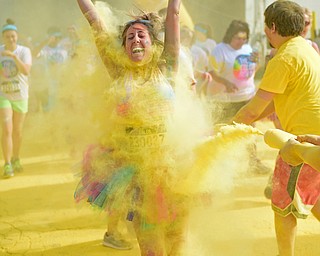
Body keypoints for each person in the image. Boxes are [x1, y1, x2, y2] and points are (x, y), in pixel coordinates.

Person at [74, 0, 185, 255]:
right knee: (150, 247)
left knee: (177, 239)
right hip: (135, 173)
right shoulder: (118, 73)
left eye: (141, 35)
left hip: (172, 167)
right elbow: (96, 24)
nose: (135, 40)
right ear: (123, 48)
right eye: (129, 37)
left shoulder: (166, 67)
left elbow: (174, 15)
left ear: (153, 43)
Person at [232, 1, 320, 255]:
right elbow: (275, 100)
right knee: (311, 196)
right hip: (313, 138)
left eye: (266, 27)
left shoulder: (283, 58)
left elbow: (251, 109)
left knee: (283, 204)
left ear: (272, 26)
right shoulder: (306, 48)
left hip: (301, 142)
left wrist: (226, 130)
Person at [206, 19, 269, 174]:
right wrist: (226, 83)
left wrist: (258, 62)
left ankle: (253, 163)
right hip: (225, 99)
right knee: (223, 132)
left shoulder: (247, 48)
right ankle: (219, 166)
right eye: (238, 38)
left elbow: (251, 71)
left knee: (249, 131)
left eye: (244, 38)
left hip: (246, 96)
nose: (241, 41)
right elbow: (212, 72)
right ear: (230, 36)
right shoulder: (220, 50)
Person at [0, 19, 32, 178]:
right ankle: (7, 164)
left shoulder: (24, 51)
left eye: (13, 36)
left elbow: (26, 71)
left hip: (20, 95)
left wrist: (13, 56)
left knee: (17, 132)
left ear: (17, 36)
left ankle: (16, 158)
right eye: (7, 37)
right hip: (3, 95)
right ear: (3, 38)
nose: (10, 39)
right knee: (7, 129)